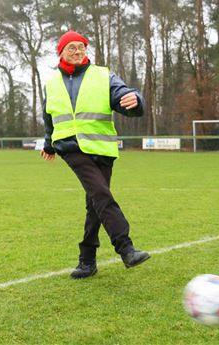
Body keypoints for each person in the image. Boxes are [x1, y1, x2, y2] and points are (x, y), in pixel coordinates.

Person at [40, 30, 150, 279]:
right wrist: (49, 144)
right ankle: (126, 247)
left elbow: (123, 93)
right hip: (71, 147)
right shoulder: (51, 82)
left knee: (95, 204)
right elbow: (48, 116)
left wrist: (134, 100)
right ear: (61, 52)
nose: (78, 52)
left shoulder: (103, 75)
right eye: (72, 48)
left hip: (102, 148)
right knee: (101, 193)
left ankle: (87, 261)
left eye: (81, 47)